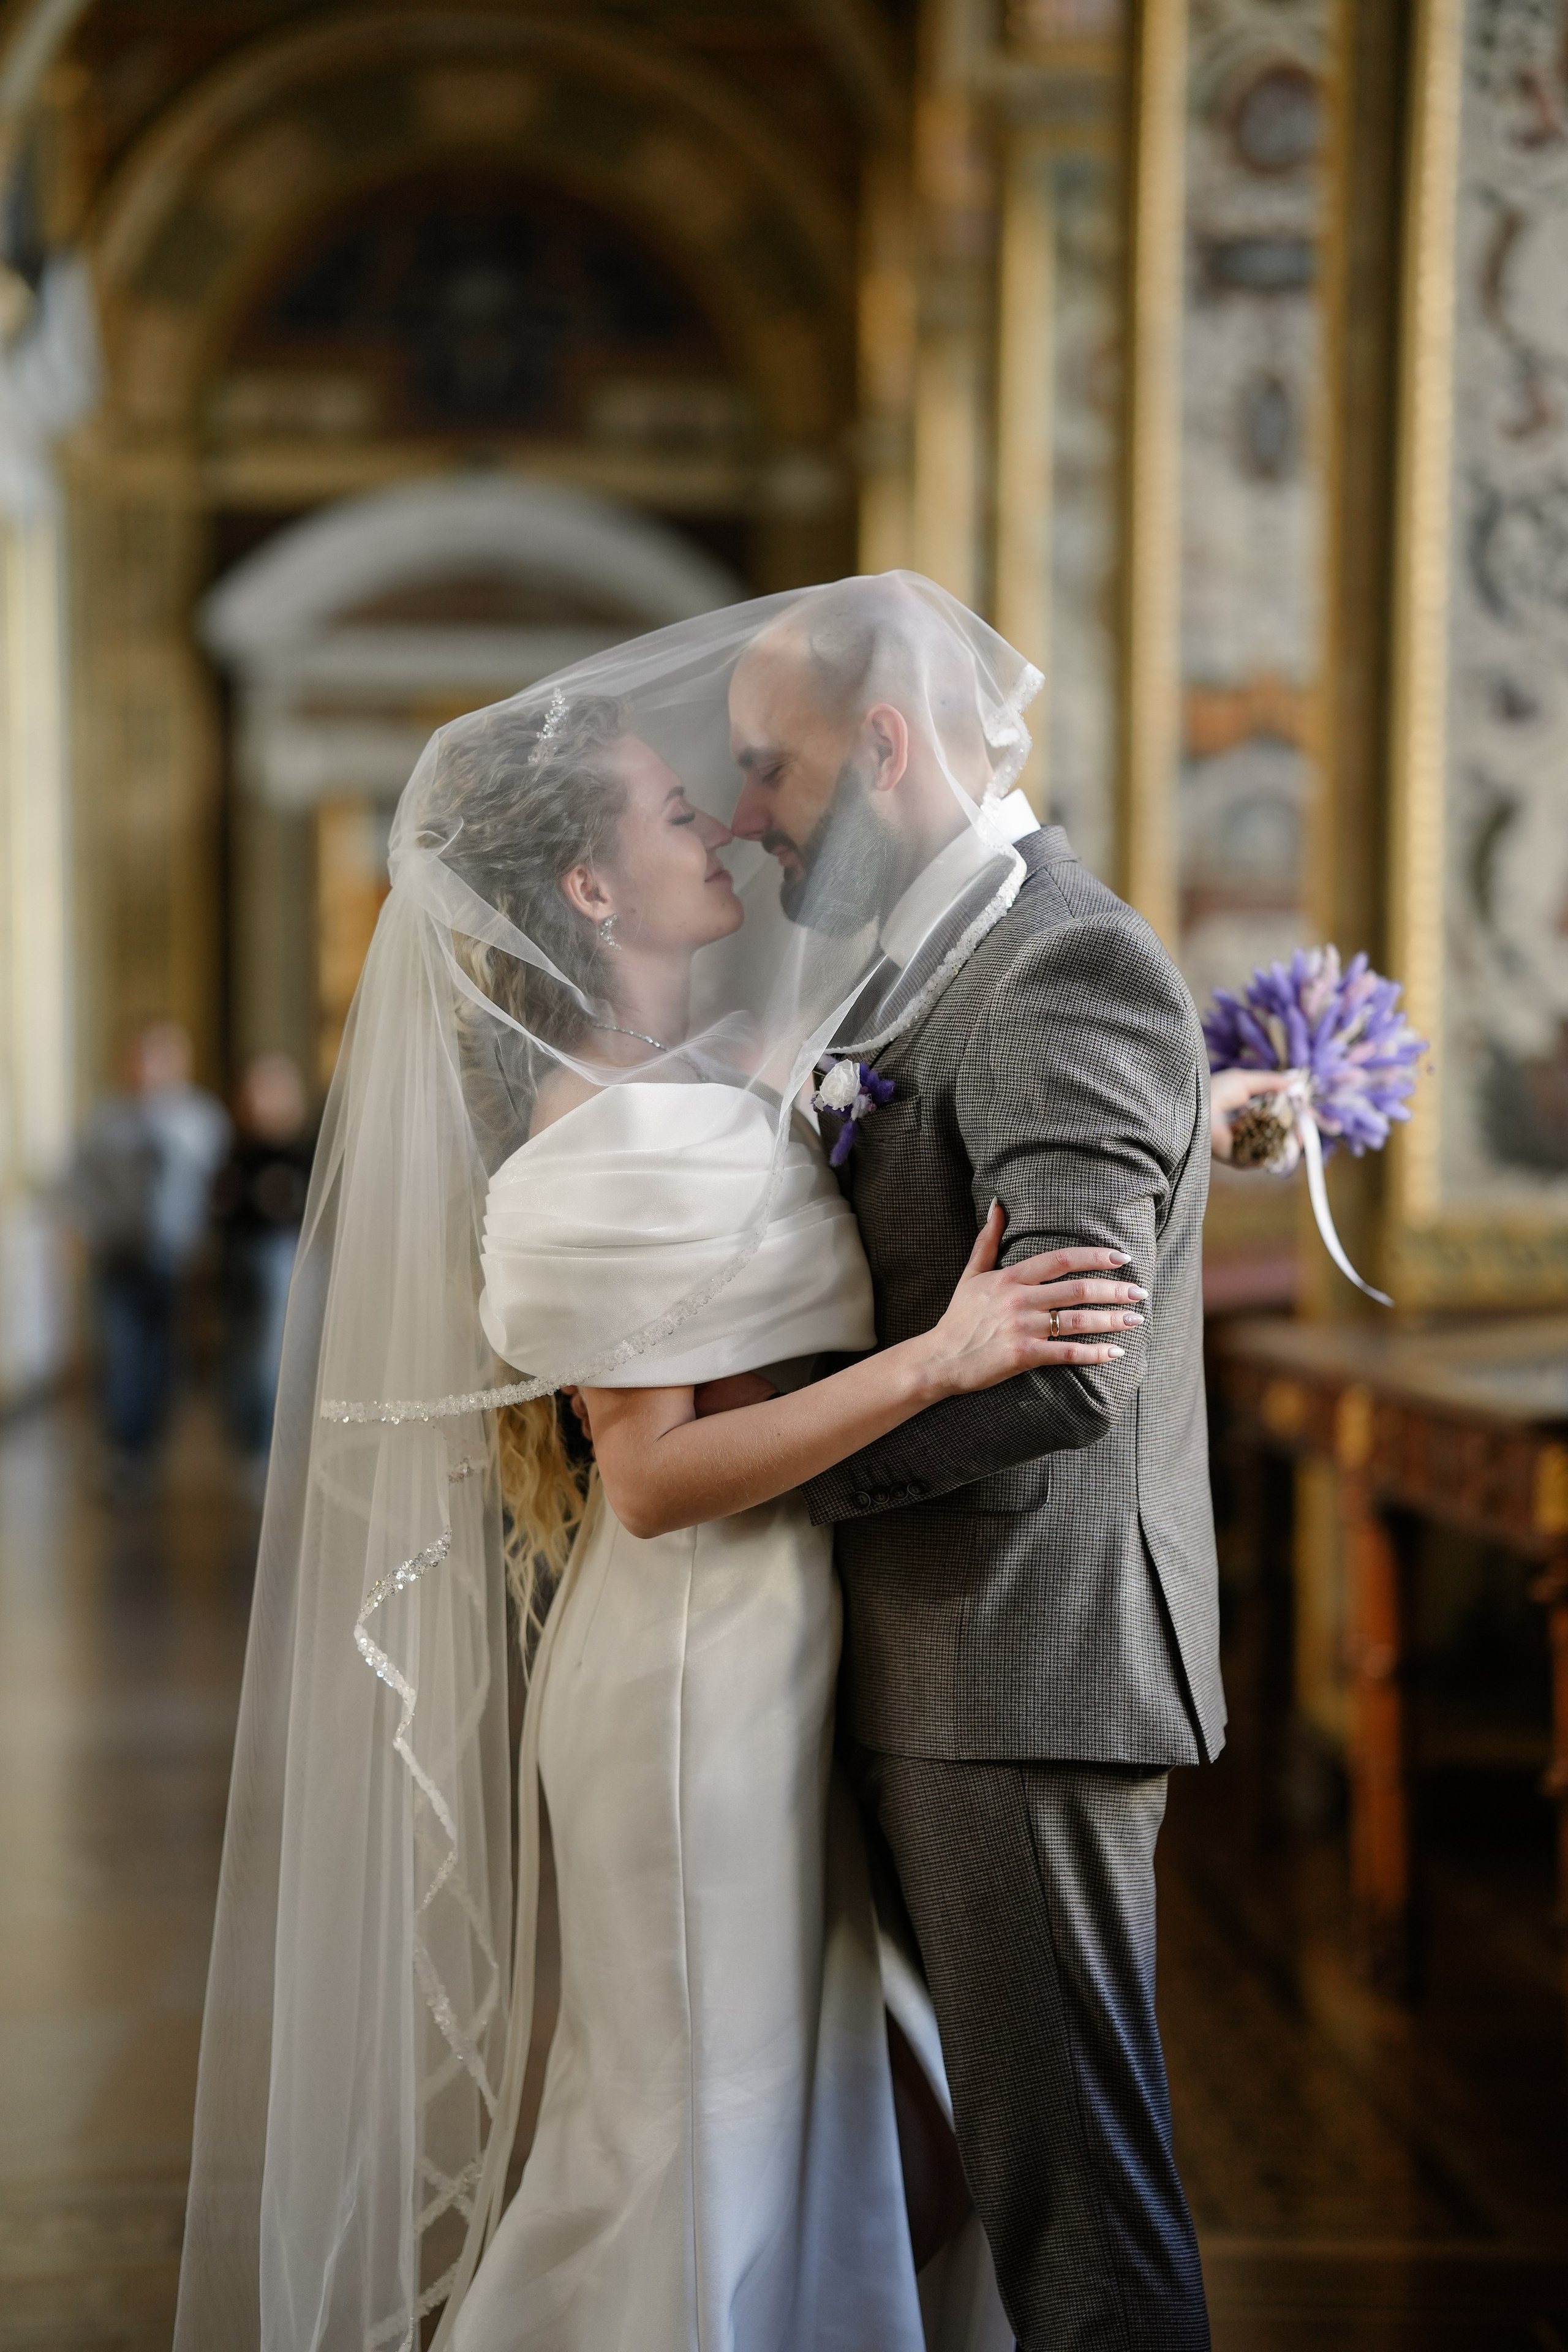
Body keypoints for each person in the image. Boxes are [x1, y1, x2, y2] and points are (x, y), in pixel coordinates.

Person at [173, 587, 1147, 2352]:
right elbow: (653, 1481)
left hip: (777, 1650)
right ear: (591, 891)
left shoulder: (692, 1079)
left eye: (733, 788)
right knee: (699, 2119)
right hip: (694, 1668)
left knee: (809, 2098)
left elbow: (921, 1120)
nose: (725, 821)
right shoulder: (598, 1140)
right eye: (680, 811)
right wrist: (937, 1359)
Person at [725, 573, 1221, 2351]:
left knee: (1073, 2199)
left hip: (1016, 1667)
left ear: (881, 745)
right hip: (937, 1656)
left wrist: (772, 1471)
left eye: (769, 772)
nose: (750, 819)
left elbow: (1072, 1370)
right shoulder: (935, 951)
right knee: (967, 2178)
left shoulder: (1058, 960)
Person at [65, 1019, 230, 1496]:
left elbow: (213, 1189)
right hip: (117, 1257)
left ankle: (151, 1446)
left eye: (161, 1057)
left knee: (162, 1356)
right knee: (120, 1353)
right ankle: (124, 1451)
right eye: (141, 1056)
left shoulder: (201, 1118)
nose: (149, 1068)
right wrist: (97, 1231)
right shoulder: (103, 1120)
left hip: (175, 1259)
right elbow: (80, 1187)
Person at [211, 1050, 314, 1479]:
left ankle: (272, 1444)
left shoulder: (308, 1149)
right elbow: (220, 1209)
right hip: (239, 1264)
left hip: (287, 1262)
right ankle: (252, 1441)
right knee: (243, 1353)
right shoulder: (235, 1150)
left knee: (272, 1355)